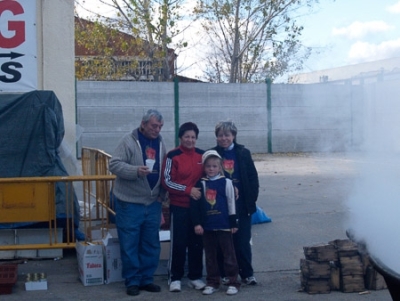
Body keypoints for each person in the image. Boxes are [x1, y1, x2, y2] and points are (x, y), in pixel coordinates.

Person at [109, 109, 166, 296]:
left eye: (159, 127)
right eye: (153, 126)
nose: (156, 129)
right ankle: (132, 280)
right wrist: (135, 171)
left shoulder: (160, 142)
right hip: (129, 202)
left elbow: (165, 169)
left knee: (151, 243)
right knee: (130, 243)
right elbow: (114, 164)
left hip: (153, 202)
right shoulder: (128, 141)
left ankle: (146, 279)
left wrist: (162, 196)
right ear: (143, 124)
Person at [212, 121, 259, 285]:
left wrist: (250, 200)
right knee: (223, 241)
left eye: (227, 135)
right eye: (220, 135)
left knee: (242, 241)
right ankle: (225, 273)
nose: (223, 138)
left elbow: (253, 178)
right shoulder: (212, 154)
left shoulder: (243, 153)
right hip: (221, 206)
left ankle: (247, 273)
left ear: (234, 136)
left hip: (241, 206)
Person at [162, 122, 206, 292]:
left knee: (197, 243)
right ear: (180, 137)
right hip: (179, 207)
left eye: (193, 137)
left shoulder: (202, 156)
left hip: (197, 210)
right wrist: (188, 190)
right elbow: (166, 181)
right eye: (187, 136)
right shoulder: (173, 155)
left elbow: (212, 174)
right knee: (178, 243)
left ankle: (195, 276)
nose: (190, 140)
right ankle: (175, 277)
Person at [190, 150, 241, 295]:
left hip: (224, 225)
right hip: (208, 226)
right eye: (208, 166)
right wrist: (197, 223)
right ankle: (212, 282)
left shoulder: (227, 182)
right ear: (204, 168)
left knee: (229, 255)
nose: (211, 169)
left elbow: (231, 202)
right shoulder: (200, 183)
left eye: (214, 166)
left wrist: (233, 223)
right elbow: (195, 206)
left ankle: (233, 282)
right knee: (210, 256)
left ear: (220, 167)